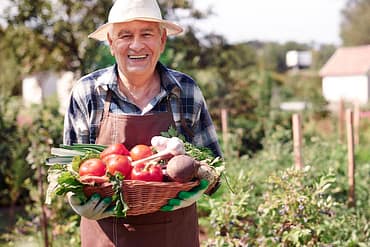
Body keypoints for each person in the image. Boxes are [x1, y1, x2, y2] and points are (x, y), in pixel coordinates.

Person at [63, 0, 222, 246]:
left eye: (146, 33)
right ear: (111, 43)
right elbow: (69, 171)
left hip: (174, 236)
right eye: (125, 35)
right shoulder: (87, 92)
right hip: (106, 237)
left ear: (162, 40)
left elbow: (215, 165)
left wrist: (202, 184)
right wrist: (76, 201)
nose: (136, 45)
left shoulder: (186, 91)